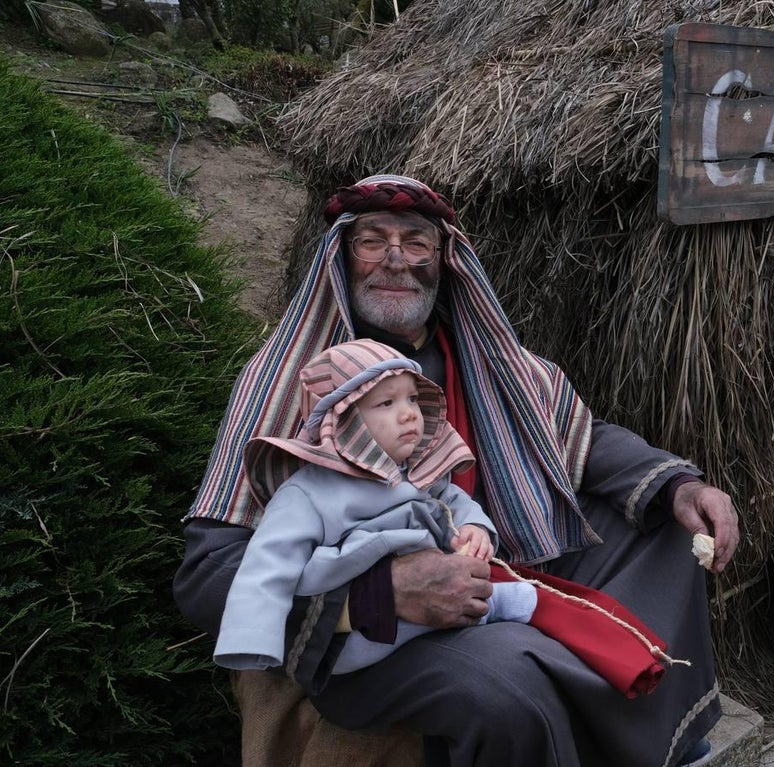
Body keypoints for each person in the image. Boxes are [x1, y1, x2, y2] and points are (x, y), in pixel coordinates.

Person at [174, 174, 741, 767]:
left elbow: (578, 438)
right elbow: (208, 574)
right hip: (377, 625)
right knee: (505, 691)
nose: (395, 259)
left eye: (415, 242)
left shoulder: (484, 356)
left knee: (676, 532)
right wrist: (385, 594)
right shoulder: (293, 379)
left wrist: (680, 484)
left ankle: (662, 748)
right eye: (372, 240)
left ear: (443, 259)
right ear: (342, 257)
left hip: (496, 557)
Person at [213, 339, 537, 674]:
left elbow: (453, 501)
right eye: (386, 402)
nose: (409, 412)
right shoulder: (309, 492)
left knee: (463, 595)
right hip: (358, 630)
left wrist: (475, 527)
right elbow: (268, 563)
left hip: (429, 595)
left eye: (412, 398)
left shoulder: (415, 470)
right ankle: (483, 610)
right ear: (344, 421)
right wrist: (252, 637)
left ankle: (478, 606)